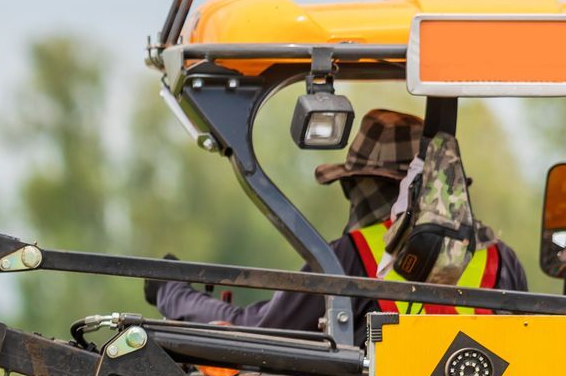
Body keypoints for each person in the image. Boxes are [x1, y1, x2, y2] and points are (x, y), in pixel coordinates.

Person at [145, 109, 528, 329]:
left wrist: (173, 293)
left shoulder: (350, 257)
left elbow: (260, 331)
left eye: (356, 187)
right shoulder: (501, 260)